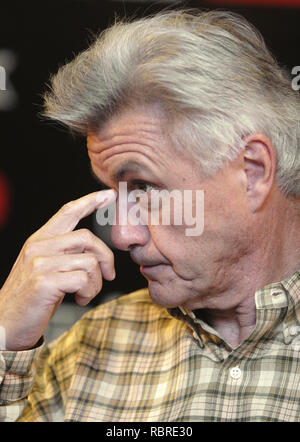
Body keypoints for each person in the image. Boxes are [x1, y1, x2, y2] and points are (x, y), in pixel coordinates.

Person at [0, 9, 300, 422]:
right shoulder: (87, 352)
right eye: (113, 194)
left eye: (143, 188)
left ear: (252, 172)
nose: (121, 235)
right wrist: (4, 338)